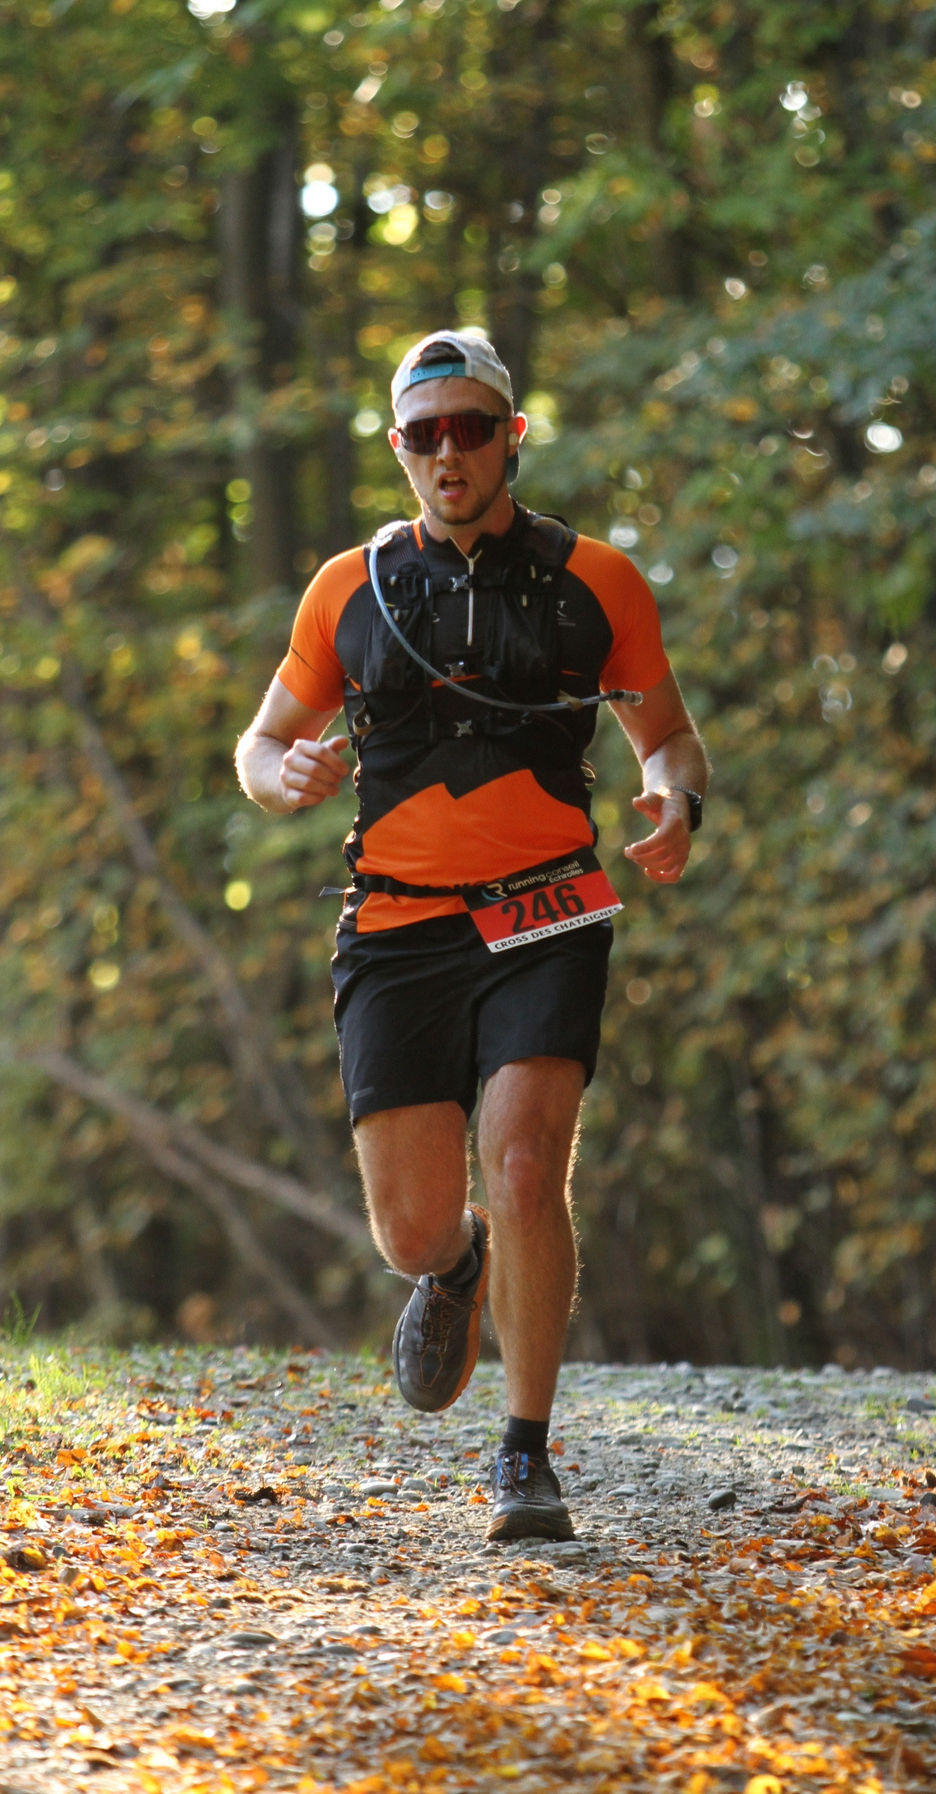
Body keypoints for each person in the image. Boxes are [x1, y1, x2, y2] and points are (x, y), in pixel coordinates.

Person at [235, 329, 707, 1541]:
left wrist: (674, 799)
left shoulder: (597, 580)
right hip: (396, 923)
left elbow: (666, 736)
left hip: (545, 907)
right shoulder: (346, 589)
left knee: (525, 1160)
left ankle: (523, 1454)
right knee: (409, 1225)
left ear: (511, 437)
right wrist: (281, 775)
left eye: (471, 429)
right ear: (399, 449)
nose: (448, 453)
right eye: (424, 434)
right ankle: (451, 1271)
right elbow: (258, 742)